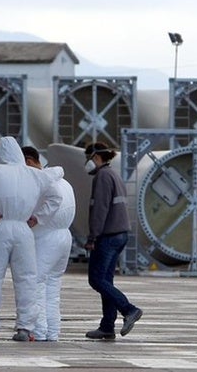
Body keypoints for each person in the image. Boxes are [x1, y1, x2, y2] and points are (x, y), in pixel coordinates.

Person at [0, 136, 64, 342]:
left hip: (0, 226)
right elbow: (56, 196)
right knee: (27, 278)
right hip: (23, 228)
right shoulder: (35, 174)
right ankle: (25, 327)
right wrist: (38, 217)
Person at [83, 142, 143, 340]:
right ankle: (107, 326)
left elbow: (100, 210)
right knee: (106, 281)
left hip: (107, 235)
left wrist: (93, 237)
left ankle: (129, 309)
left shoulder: (102, 176)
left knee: (96, 279)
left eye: (88, 158)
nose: (87, 163)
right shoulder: (114, 174)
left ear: (96, 157)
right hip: (120, 234)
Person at [22, 146, 76, 342]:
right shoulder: (65, 183)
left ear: (28, 162)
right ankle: (52, 331)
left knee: (36, 283)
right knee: (53, 287)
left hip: (45, 238)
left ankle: (38, 330)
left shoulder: (40, 183)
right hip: (64, 238)